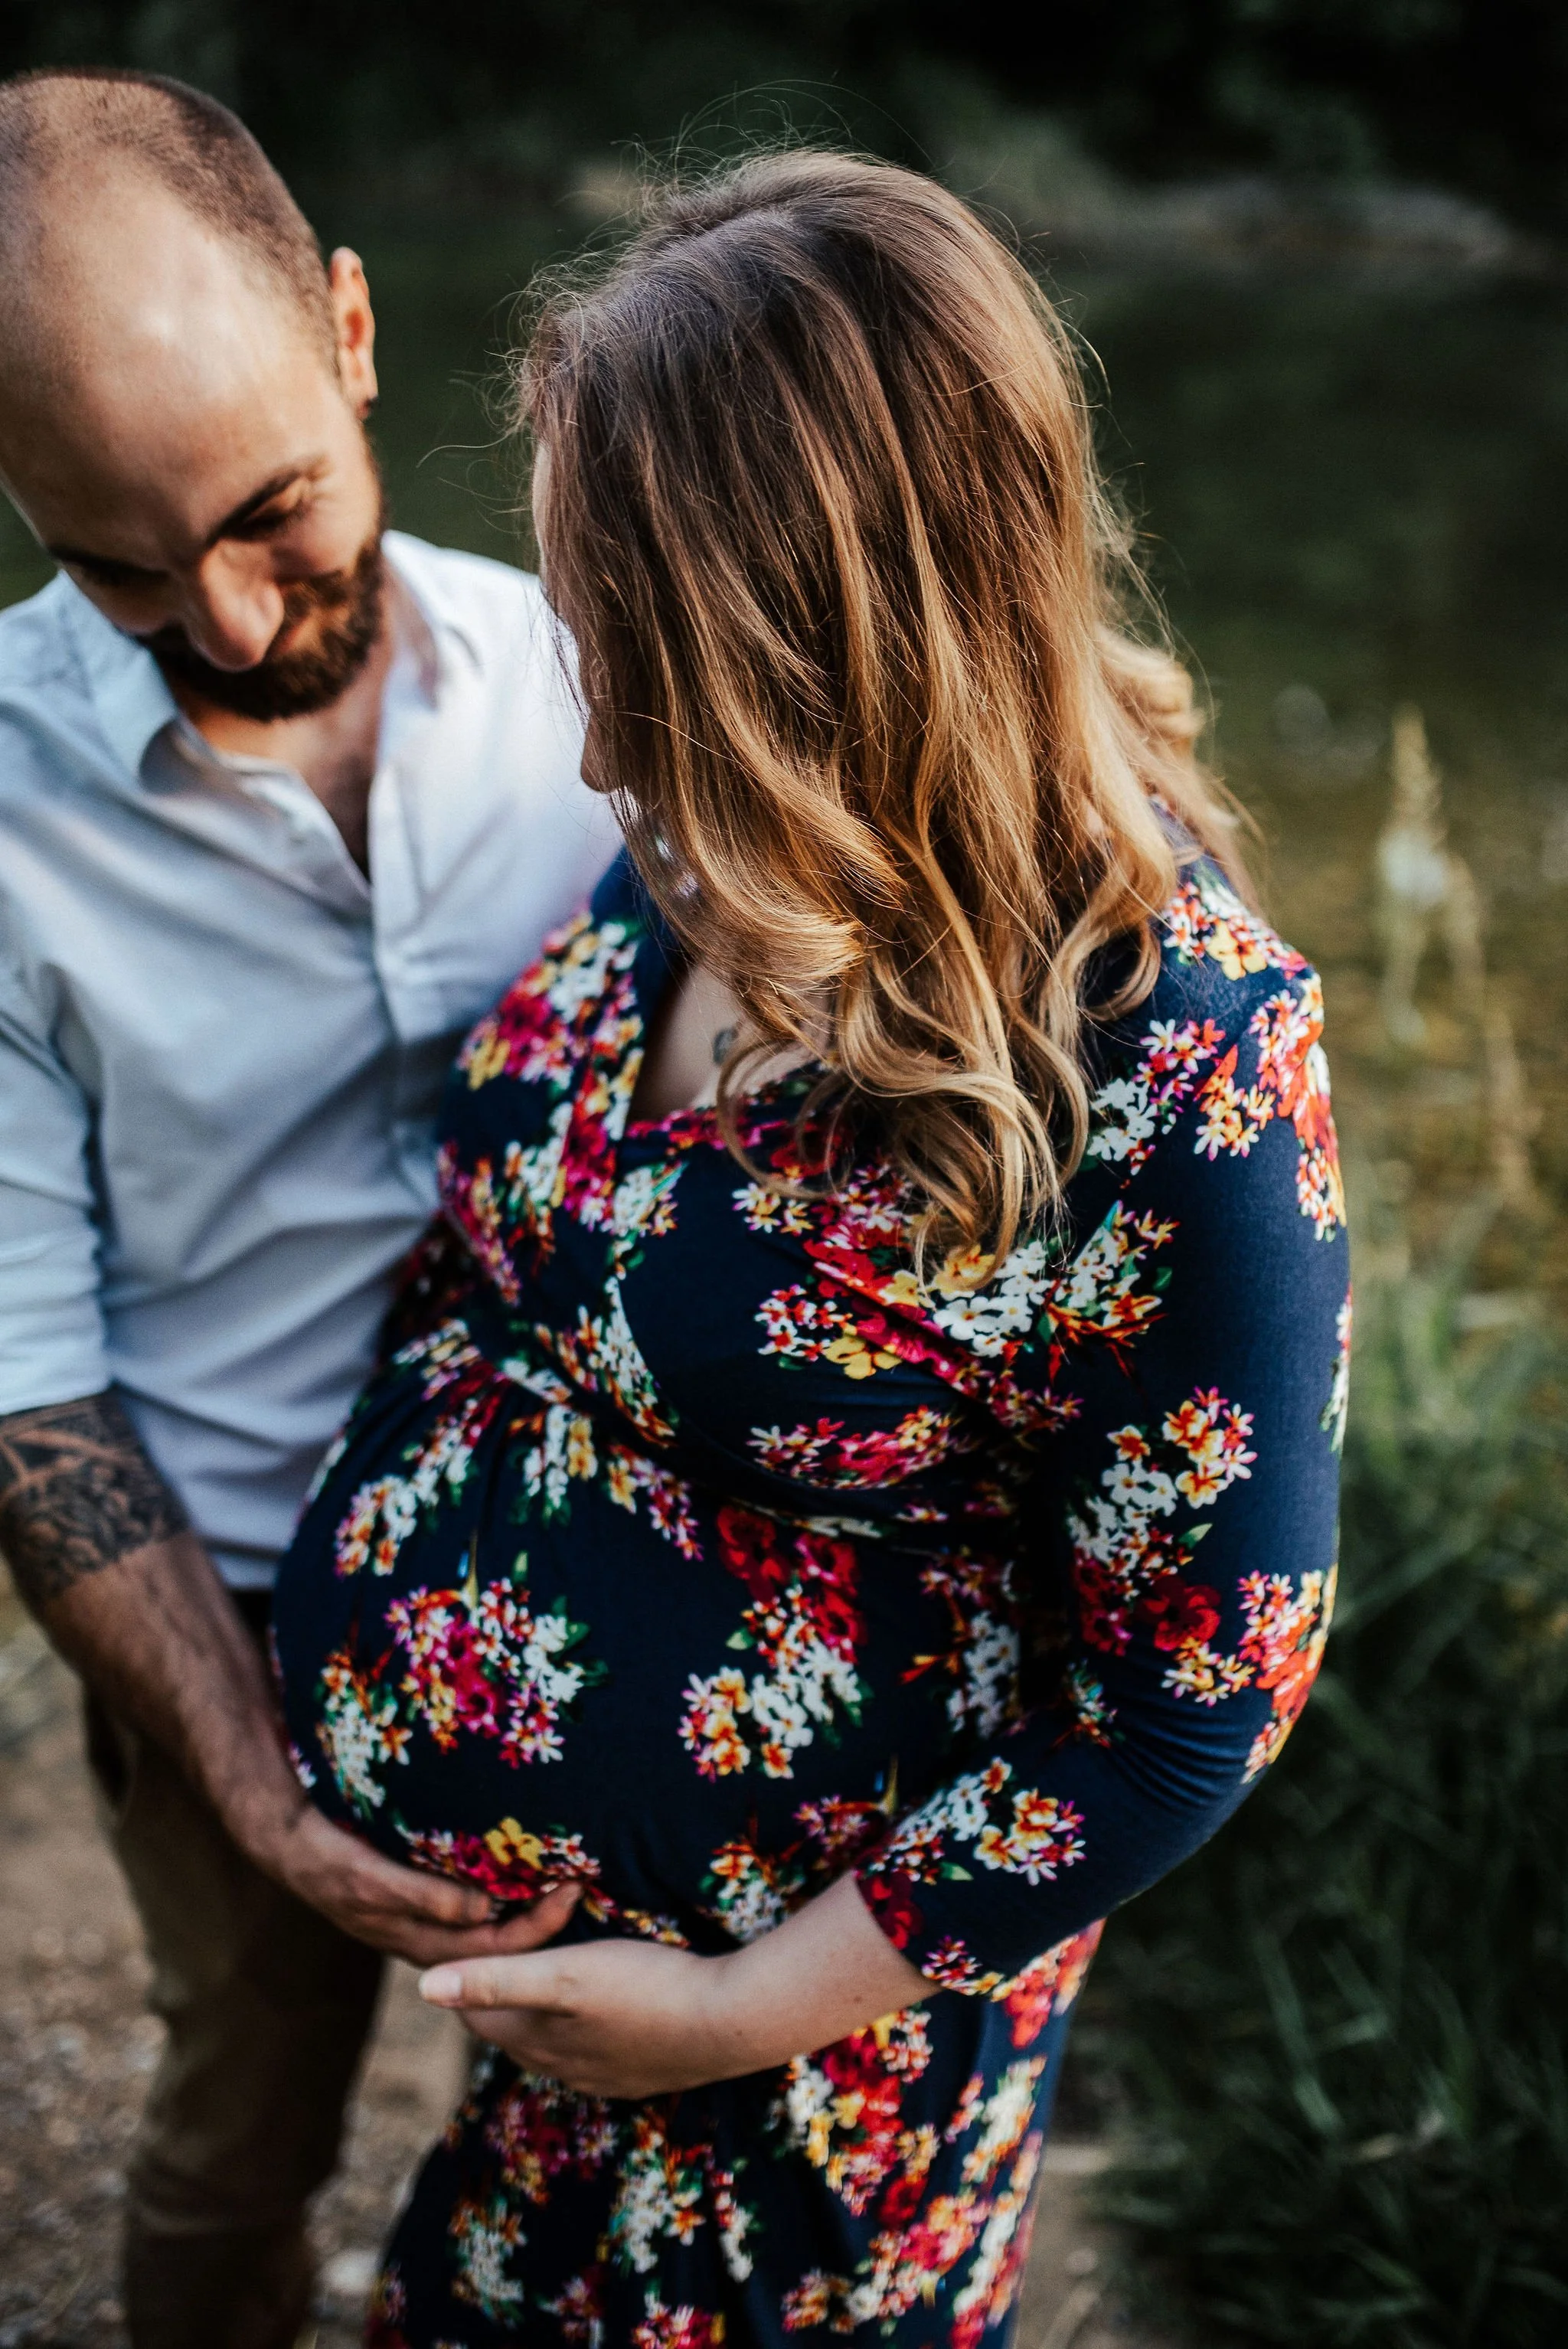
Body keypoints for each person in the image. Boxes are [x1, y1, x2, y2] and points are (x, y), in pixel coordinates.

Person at [272, 151, 1352, 2347]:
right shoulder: (701, 837)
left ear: (821, 661)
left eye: (639, 673)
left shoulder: (1180, 1055)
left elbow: (1187, 1709)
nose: (589, 745)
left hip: (818, 2072)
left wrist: (743, 2004)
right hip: (574, 1995)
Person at [0, 66, 617, 2349]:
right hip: (218, 1609)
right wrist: (255, 1790)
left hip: (602, 1587)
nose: (237, 621)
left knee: (606, 2151)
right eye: (121, 567)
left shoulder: (586, 680)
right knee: (232, 2130)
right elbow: (21, 1377)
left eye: (273, 513)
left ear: (353, 329)